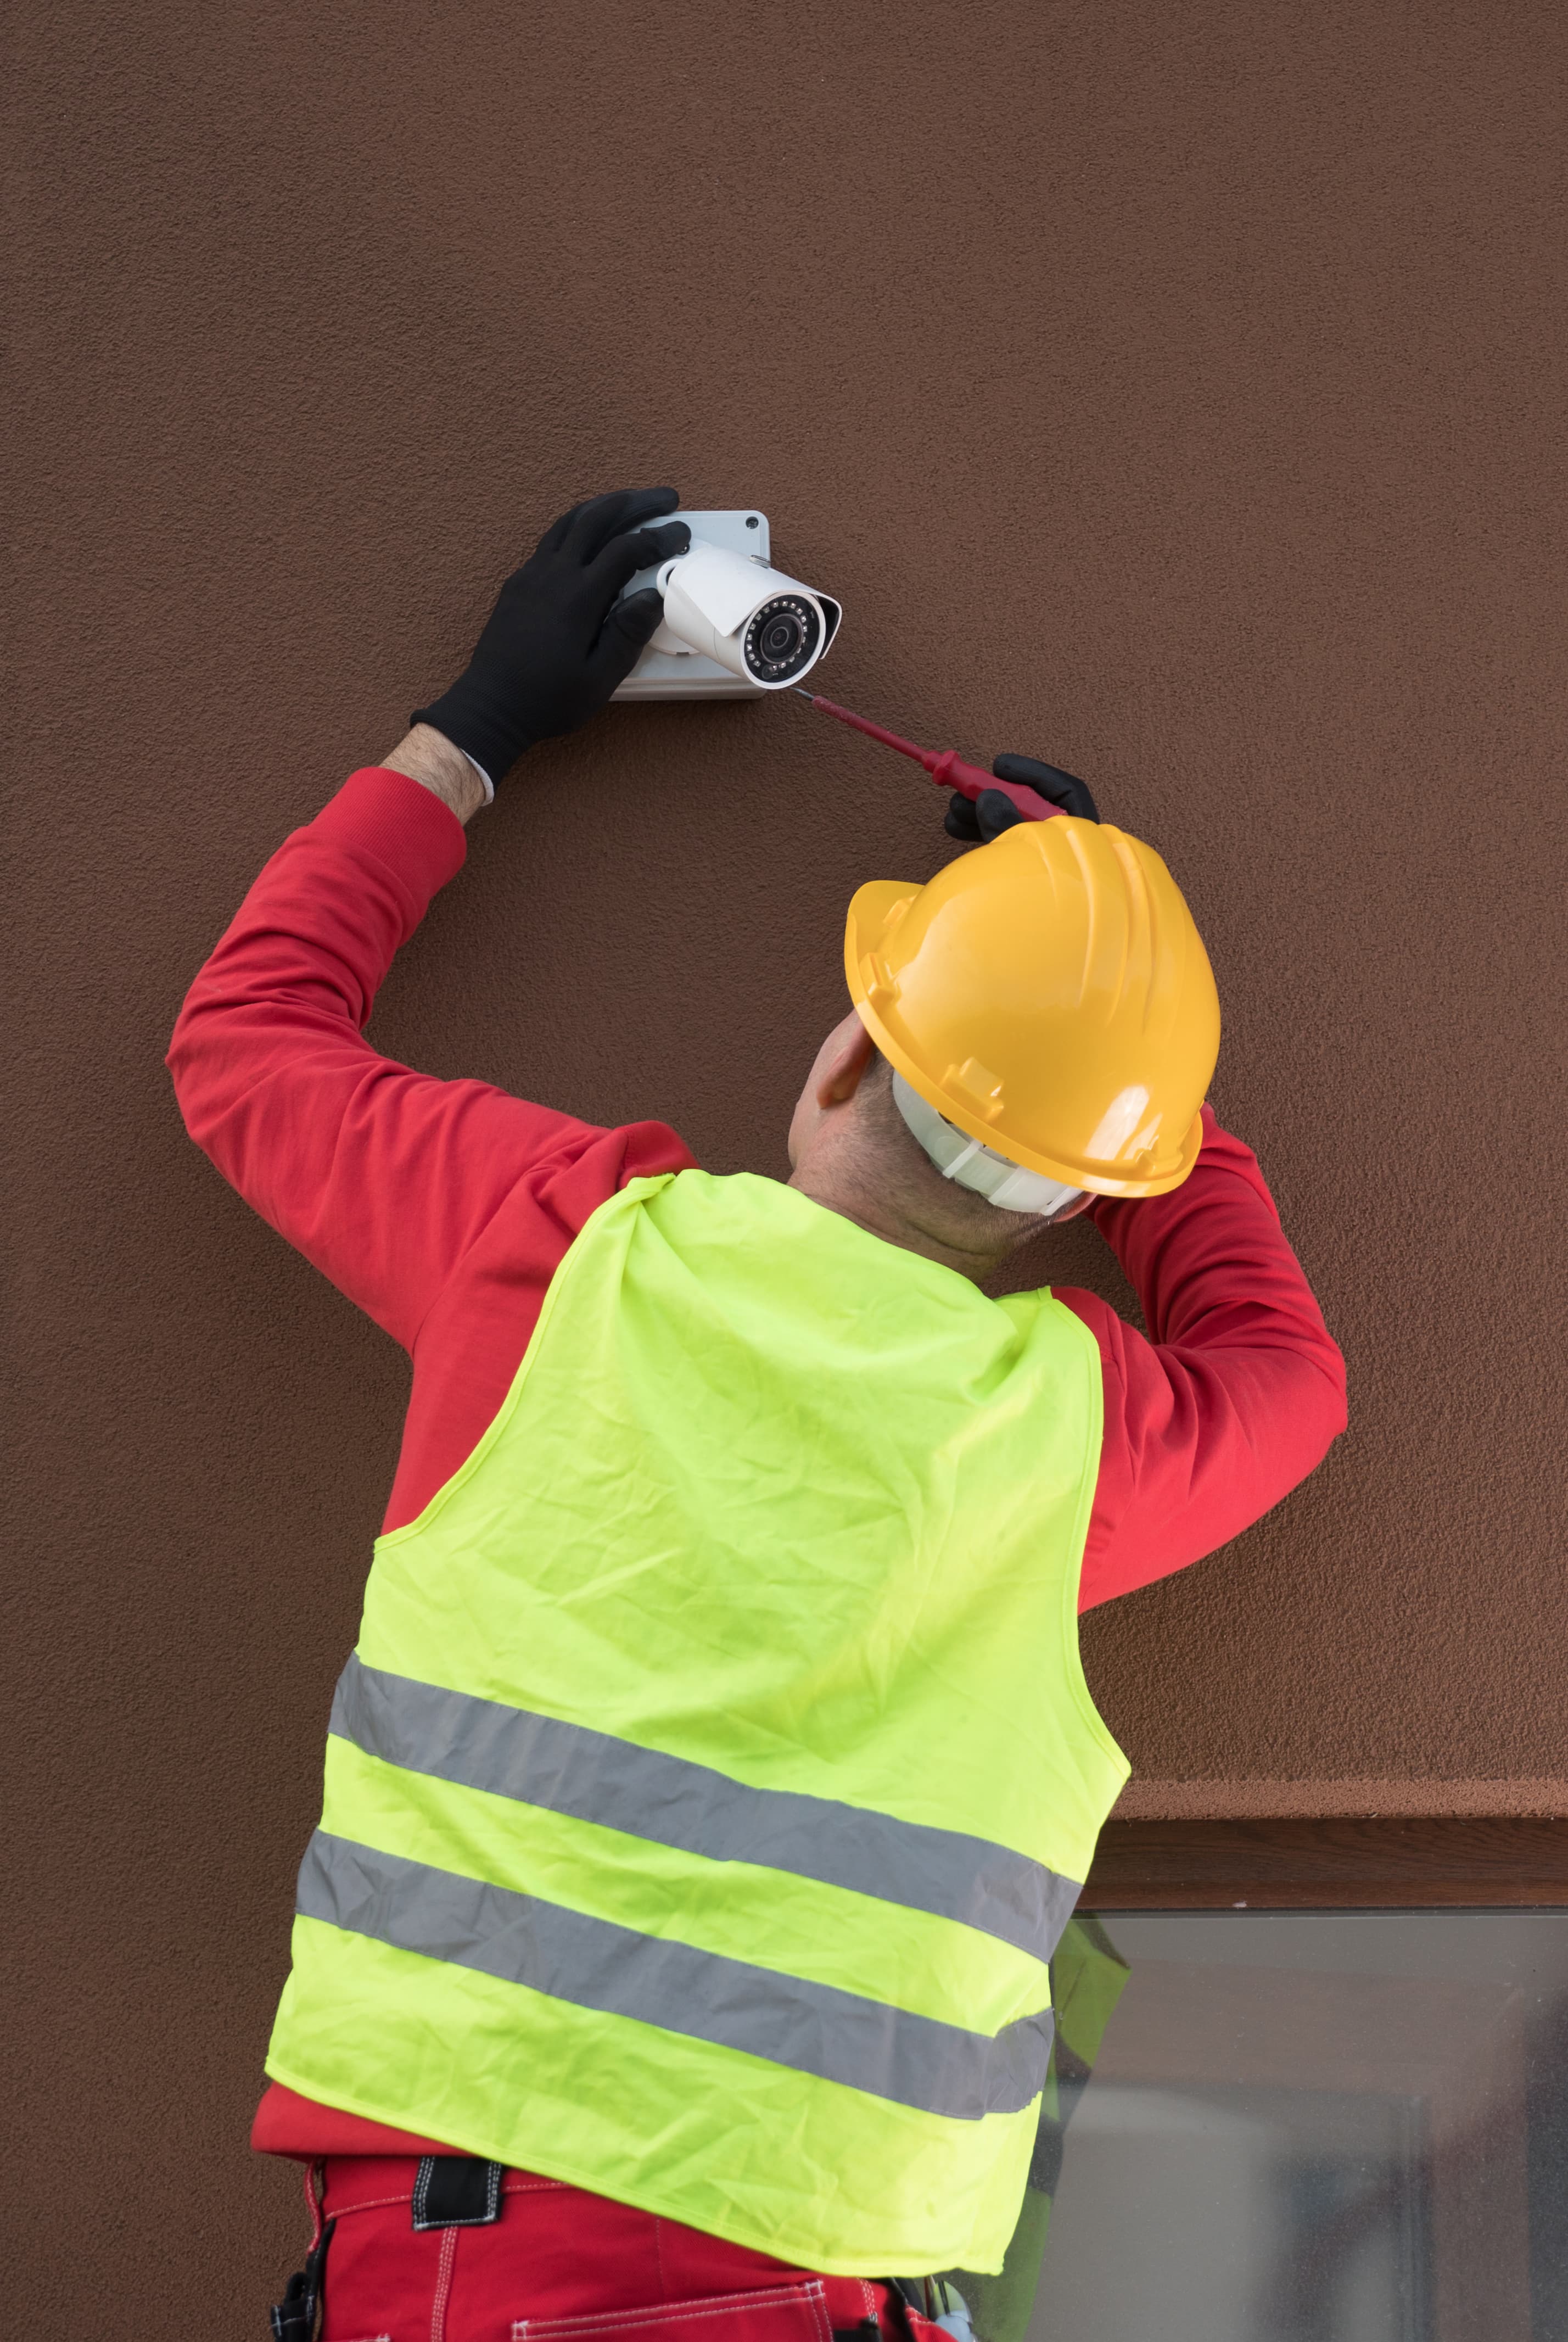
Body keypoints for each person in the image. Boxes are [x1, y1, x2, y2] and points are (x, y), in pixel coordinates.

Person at [167, 487, 1346, 2342]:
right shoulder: (1070, 1433)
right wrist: (1097, 1025)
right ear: (1079, 1196)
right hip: (836, 2279)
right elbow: (1284, 1368)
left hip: (483, 2248)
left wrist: (474, 729)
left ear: (845, 1053)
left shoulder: (554, 1247)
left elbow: (247, 1036)